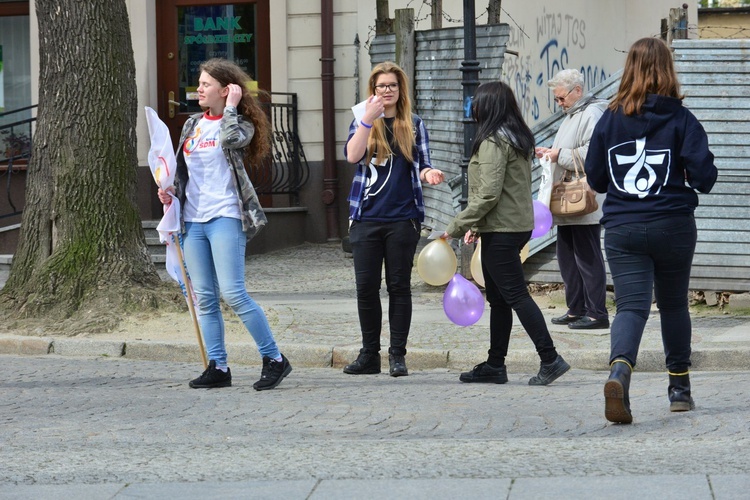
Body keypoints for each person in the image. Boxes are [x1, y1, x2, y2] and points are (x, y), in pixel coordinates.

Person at [585, 38, 718, 423]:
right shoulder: (682, 119)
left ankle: (620, 372)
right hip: (673, 225)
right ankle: (679, 389)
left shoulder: (609, 118)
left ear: (628, 69)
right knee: (674, 304)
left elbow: (596, 177)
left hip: (624, 227)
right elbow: (705, 178)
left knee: (630, 306)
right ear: (668, 69)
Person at [157, 58, 292, 391]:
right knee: (203, 297)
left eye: (205, 84)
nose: (198, 89)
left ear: (224, 89)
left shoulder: (239, 123)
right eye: (199, 83)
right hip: (192, 220)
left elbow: (233, 141)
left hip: (226, 216)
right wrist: (170, 190)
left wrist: (232, 106)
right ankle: (218, 366)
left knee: (234, 293)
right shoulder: (191, 125)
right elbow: (182, 170)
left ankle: (274, 358)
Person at [442, 81, 570, 386]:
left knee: (515, 296)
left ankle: (550, 358)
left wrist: (457, 226)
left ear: (488, 107)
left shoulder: (493, 141)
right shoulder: (516, 137)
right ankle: (495, 364)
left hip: (503, 229)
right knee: (499, 299)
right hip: (510, 226)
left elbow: (488, 193)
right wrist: (477, 225)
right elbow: (504, 192)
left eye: (478, 103)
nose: (474, 107)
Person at [343, 61, 445, 377]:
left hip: (403, 219)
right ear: (373, 90)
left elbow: (423, 163)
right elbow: (352, 156)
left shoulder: (413, 124)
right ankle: (368, 355)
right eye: (381, 86)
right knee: (366, 288)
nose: (386, 91)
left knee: (399, 287)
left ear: (400, 91)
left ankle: (397, 356)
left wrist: (430, 173)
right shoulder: (362, 119)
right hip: (366, 219)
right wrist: (366, 121)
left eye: (392, 85)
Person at [535, 69, 610, 330]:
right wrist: (552, 153)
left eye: (561, 98)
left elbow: (594, 154)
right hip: (568, 198)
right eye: (556, 99)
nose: (559, 104)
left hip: (583, 197)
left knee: (587, 256)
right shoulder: (573, 114)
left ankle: (596, 312)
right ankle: (576, 308)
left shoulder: (591, 113)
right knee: (567, 256)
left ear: (577, 91)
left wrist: (558, 155)